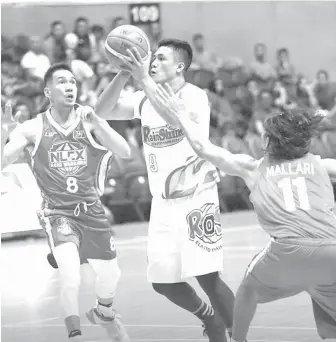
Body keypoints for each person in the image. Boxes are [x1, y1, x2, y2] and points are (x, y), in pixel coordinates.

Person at [153, 89, 336, 342]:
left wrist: (181, 115)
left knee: (247, 292)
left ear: (270, 141)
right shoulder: (321, 164)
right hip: (335, 254)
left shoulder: (253, 168)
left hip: (288, 252)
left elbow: (203, 148)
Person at [94, 39, 235, 341]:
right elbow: (102, 110)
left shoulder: (194, 96)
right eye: (152, 59)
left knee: (207, 277)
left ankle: (240, 336)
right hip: (163, 203)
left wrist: (143, 78)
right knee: (162, 282)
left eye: (160, 58)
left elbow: (176, 118)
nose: (153, 63)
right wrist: (123, 72)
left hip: (196, 197)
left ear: (180, 66)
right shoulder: (144, 98)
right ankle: (209, 318)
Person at [1, 63, 132, 342]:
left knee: (111, 277)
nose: (69, 86)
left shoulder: (88, 119)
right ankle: (75, 335)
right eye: (62, 82)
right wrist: (5, 133)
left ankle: (104, 312)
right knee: (71, 277)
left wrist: (99, 122)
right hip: (58, 214)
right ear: (48, 91)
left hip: (93, 211)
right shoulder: (32, 128)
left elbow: (125, 151)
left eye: (72, 81)